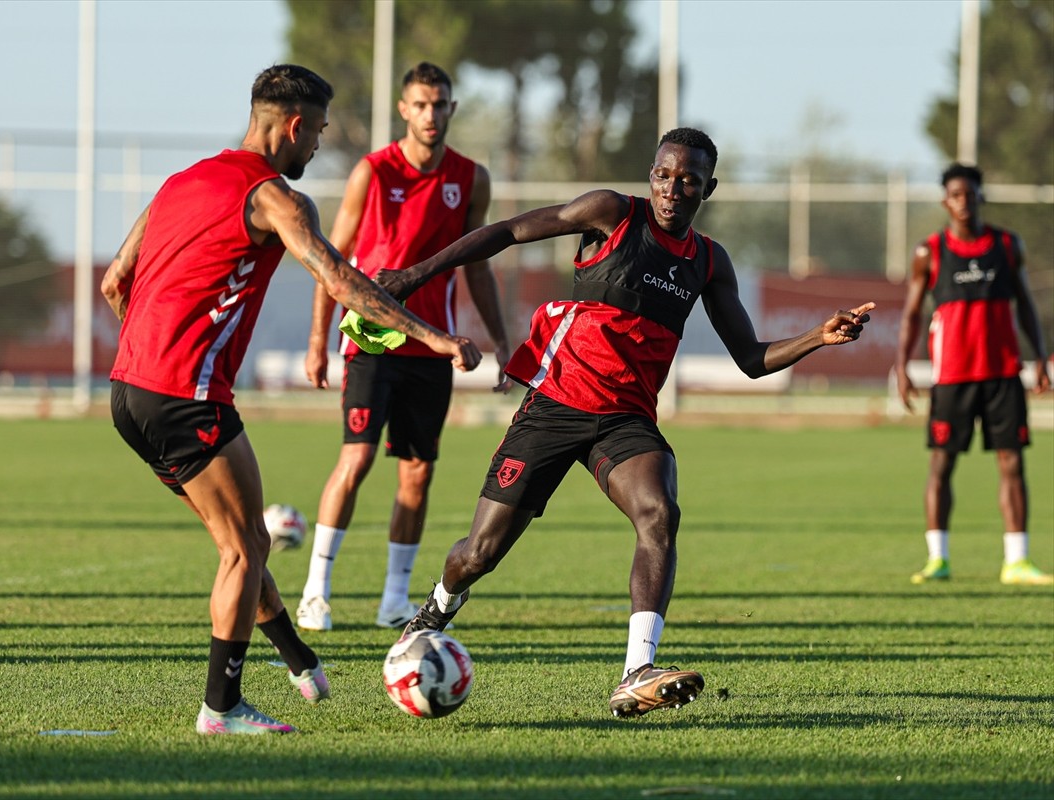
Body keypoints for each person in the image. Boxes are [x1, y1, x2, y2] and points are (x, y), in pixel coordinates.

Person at [379, 127, 876, 718]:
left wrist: (820, 337)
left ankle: (636, 670)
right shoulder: (611, 213)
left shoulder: (710, 263)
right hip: (556, 403)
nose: (673, 188)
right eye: (665, 174)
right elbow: (508, 232)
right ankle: (437, 606)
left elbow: (750, 358)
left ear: (707, 189)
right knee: (479, 554)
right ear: (652, 175)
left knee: (659, 511)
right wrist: (413, 277)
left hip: (626, 419)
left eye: (688, 179)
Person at [100, 64, 482, 735]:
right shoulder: (276, 198)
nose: (316, 149)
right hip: (186, 394)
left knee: (238, 539)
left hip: (130, 390)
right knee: (246, 549)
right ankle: (221, 708)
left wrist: (152, 345)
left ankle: (297, 656)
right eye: (318, 135)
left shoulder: (180, 182)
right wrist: (435, 336)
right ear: (295, 125)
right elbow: (339, 277)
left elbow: (115, 281)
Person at [295, 62, 511, 632]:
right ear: (404, 110)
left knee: (416, 473)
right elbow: (330, 260)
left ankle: (394, 598)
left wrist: (503, 340)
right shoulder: (373, 171)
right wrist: (318, 340)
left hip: (433, 349)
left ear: (451, 109)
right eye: (421, 104)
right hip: (369, 340)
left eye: (440, 104)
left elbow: (478, 270)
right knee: (357, 458)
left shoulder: (471, 178)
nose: (431, 114)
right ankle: (316, 590)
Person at [895, 163, 1051, 586]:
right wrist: (902, 365)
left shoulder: (1006, 245)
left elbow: (1025, 306)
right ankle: (937, 558)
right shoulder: (930, 251)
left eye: (971, 193)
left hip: (1002, 373)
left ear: (982, 196)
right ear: (946, 201)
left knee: (1012, 462)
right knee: (942, 464)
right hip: (953, 377)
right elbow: (911, 314)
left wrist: (1041, 357)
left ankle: (1016, 560)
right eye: (956, 194)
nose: (964, 201)